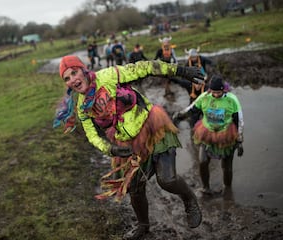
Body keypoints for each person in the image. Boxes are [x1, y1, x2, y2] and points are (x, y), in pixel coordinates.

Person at [54, 55, 204, 239]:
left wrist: (180, 71)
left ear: (83, 70)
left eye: (74, 73)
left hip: (152, 127)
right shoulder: (82, 107)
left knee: (167, 180)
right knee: (134, 189)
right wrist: (111, 149)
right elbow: (92, 135)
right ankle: (143, 225)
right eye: (67, 78)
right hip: (128, 143)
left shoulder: (109, 75)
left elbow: (146, 67)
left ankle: (189, 199)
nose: (73, 80)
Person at [173, 75, 244, 195]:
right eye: (213, 92)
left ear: (224, 90)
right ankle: (206, 187)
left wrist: (240, 140)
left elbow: (239, 120)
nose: (216, 95)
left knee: (226, 166)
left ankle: (227, 189)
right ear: (210, 90)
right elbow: (192, 109)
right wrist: (179, 115)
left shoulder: (232, 100)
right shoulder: (205, 97)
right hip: (207, 134)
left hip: (226, 135)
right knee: (203, 161)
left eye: (219, 92)